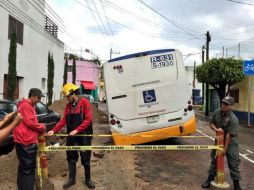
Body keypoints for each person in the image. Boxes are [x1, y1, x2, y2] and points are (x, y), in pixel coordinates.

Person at [47, 83, 95, 189]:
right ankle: (71, 180)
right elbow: (63, 120)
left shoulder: (84, 103)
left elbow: (88, 119)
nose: (67, 99)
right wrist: (53, 130)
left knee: (85, 157)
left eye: (68, 96)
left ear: (73, 93)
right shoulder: (68, 106)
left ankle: (88, 180)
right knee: (71, 157)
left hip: (84, 135)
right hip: (72, 136)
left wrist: (78, 129)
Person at [202, 96, 242, 190]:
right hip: (219, 139)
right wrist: (217, 129)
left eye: (226, 104)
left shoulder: (233, 119)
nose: (223, 105)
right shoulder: (217, 112)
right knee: (215, 159)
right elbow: (211, 123)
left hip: (231, 142)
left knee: (233, 162)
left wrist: (224, 149)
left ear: (231, 106)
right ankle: (209, 179)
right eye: (223, 103)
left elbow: (229, 135)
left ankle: (237, 185)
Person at [13, 88, 46, 190]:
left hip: (23, 140)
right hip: (26, 142)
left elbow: (30, 121)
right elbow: (30, 123)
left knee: (24, 168)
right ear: (33, 96)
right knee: (28, 170)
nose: (39, 100)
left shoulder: (28, 105)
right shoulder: (26, 106)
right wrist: (42, 127)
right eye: (39, 98)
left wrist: (38, 125)